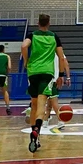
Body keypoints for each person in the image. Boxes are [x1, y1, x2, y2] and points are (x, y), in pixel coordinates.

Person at [20, 14, 70, 153]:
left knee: (34, 104)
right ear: (48, 23)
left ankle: (35, 138)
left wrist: (26, 60)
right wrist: (60, 75)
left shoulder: (33, 35)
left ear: (38, 23)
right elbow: (61, 57)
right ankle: (36, 130)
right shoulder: (54, 37)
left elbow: (24, 46)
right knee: (42, 105)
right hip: (47, 73)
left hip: (33, 72)